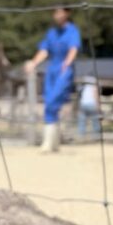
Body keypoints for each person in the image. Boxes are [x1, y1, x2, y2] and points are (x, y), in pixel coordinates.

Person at [24, 8, 81, 152]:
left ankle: (49, 142)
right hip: (51, 71)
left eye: (60, 12)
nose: (57, 15)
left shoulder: (72, 31)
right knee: (49, 104)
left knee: (53, 102)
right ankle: (52, 143)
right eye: (55, 13)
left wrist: (67, 64)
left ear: (67, 13)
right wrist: (33, 62)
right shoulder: (51, 33)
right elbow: (44, 50)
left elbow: (73, 49)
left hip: (64, 70)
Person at [77, 75, 100, 140]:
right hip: (92, 104)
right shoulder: (93, 83)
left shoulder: (84, 84)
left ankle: (81, 136)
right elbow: (95, 94)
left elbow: (80, 95)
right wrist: (98, 105)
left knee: (82, 121)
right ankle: (96, 136)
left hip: (83, 104)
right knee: (95, 120)